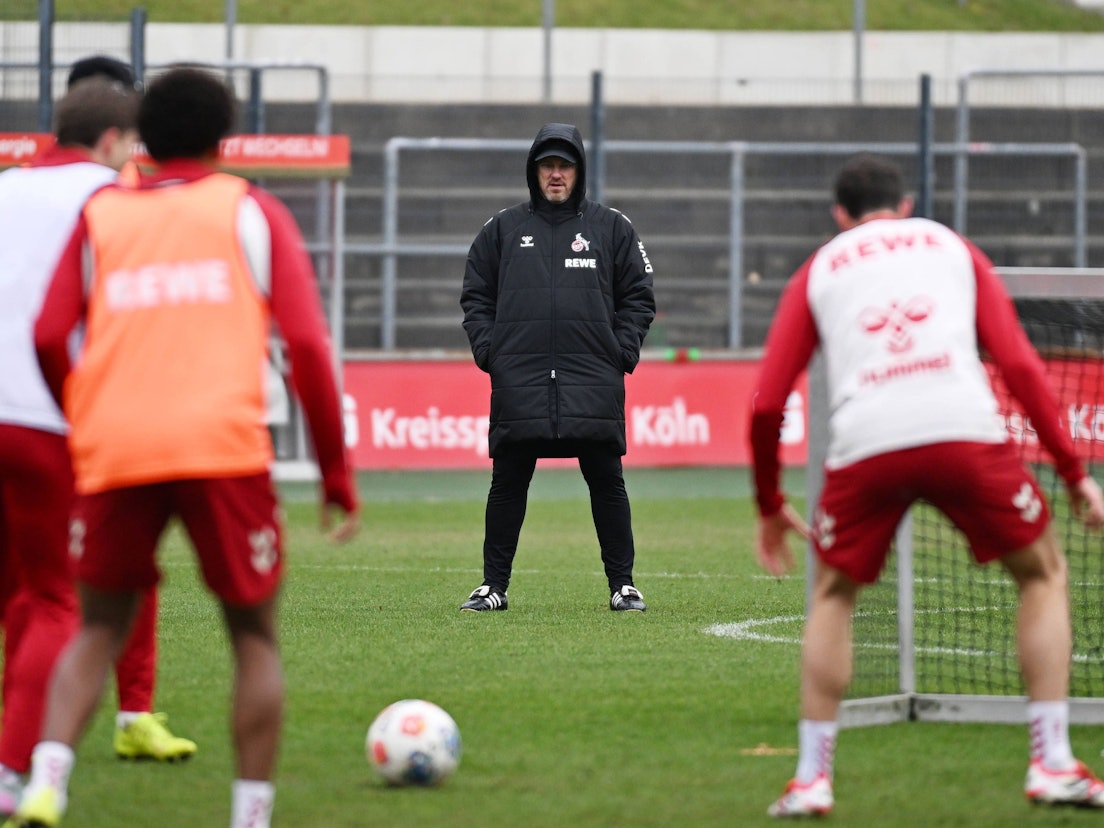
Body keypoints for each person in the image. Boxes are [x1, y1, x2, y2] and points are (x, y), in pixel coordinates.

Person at [7, 66, 359, 828]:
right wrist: (335, 471)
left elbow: (44, 332)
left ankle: (48, 780)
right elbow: (303, 340)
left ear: (146, 139)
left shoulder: (105, 214)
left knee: (94, 623)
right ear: (221, 137)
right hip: (221, 448)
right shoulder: (250, 209)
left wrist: (84, 409)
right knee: (253, 635)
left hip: (120, 448)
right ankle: (250, 813)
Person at [749, 153, 1104, 817]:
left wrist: (770, 504)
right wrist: (1075, 474)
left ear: (840, 215)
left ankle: (810, 778)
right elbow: (1021, 366)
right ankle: (1052, 761)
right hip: (962, 428)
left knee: (834, 593)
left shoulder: (819, 268)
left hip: (866, 440)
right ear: (906, 205)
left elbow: (767, 403)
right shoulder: (950, 246)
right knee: (1042, 573)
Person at [0, 76, 150, 819]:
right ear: (117, 141)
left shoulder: (5, 189)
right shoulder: (112, 201)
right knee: (58, 600)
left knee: (14, 600)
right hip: (46, 417)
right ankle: (9, 769)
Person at [458, 122, 655, 613]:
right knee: (507, 484)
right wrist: (492, 353)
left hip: (592, 381)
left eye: (564, 165)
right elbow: (475, 296)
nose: (556, 174)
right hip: (519, 382)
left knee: (607, 482)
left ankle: (623, 585)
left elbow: (639, 297)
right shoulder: (501, 229)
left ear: (579, 171)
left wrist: (620, 352)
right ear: (534, 171)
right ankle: (492, 587)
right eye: (547, 165)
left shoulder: (612, 228)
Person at [65, 53, 200, 768]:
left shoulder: (129, 196)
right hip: (70, 411)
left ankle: (133, 713)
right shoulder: (105, 200)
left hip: (97, 414)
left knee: (126, 573)